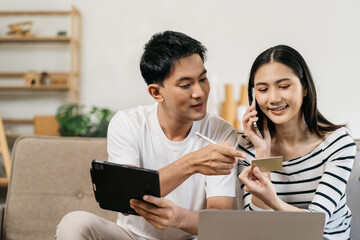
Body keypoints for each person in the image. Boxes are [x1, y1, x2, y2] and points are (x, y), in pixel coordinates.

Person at [55, 30, 246, 240]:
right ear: (156, 92)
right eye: (185, 85)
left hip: (190, 238)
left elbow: (219, 218)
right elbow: (127, 198)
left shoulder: (220, 132)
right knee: (75, 223)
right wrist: (191, 163)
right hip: (132, 236)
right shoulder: (128, 123)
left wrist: (179, 218)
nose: (199, 92)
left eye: (202, 79)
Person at [237, 45, 356, 240]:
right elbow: (256, 228)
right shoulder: (250, 147)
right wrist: (263, 152)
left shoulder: (337, 145)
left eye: (284, 86)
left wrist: (273, 200)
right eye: (263, 89)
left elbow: (316, 223)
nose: (273, 98)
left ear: (305, 88)